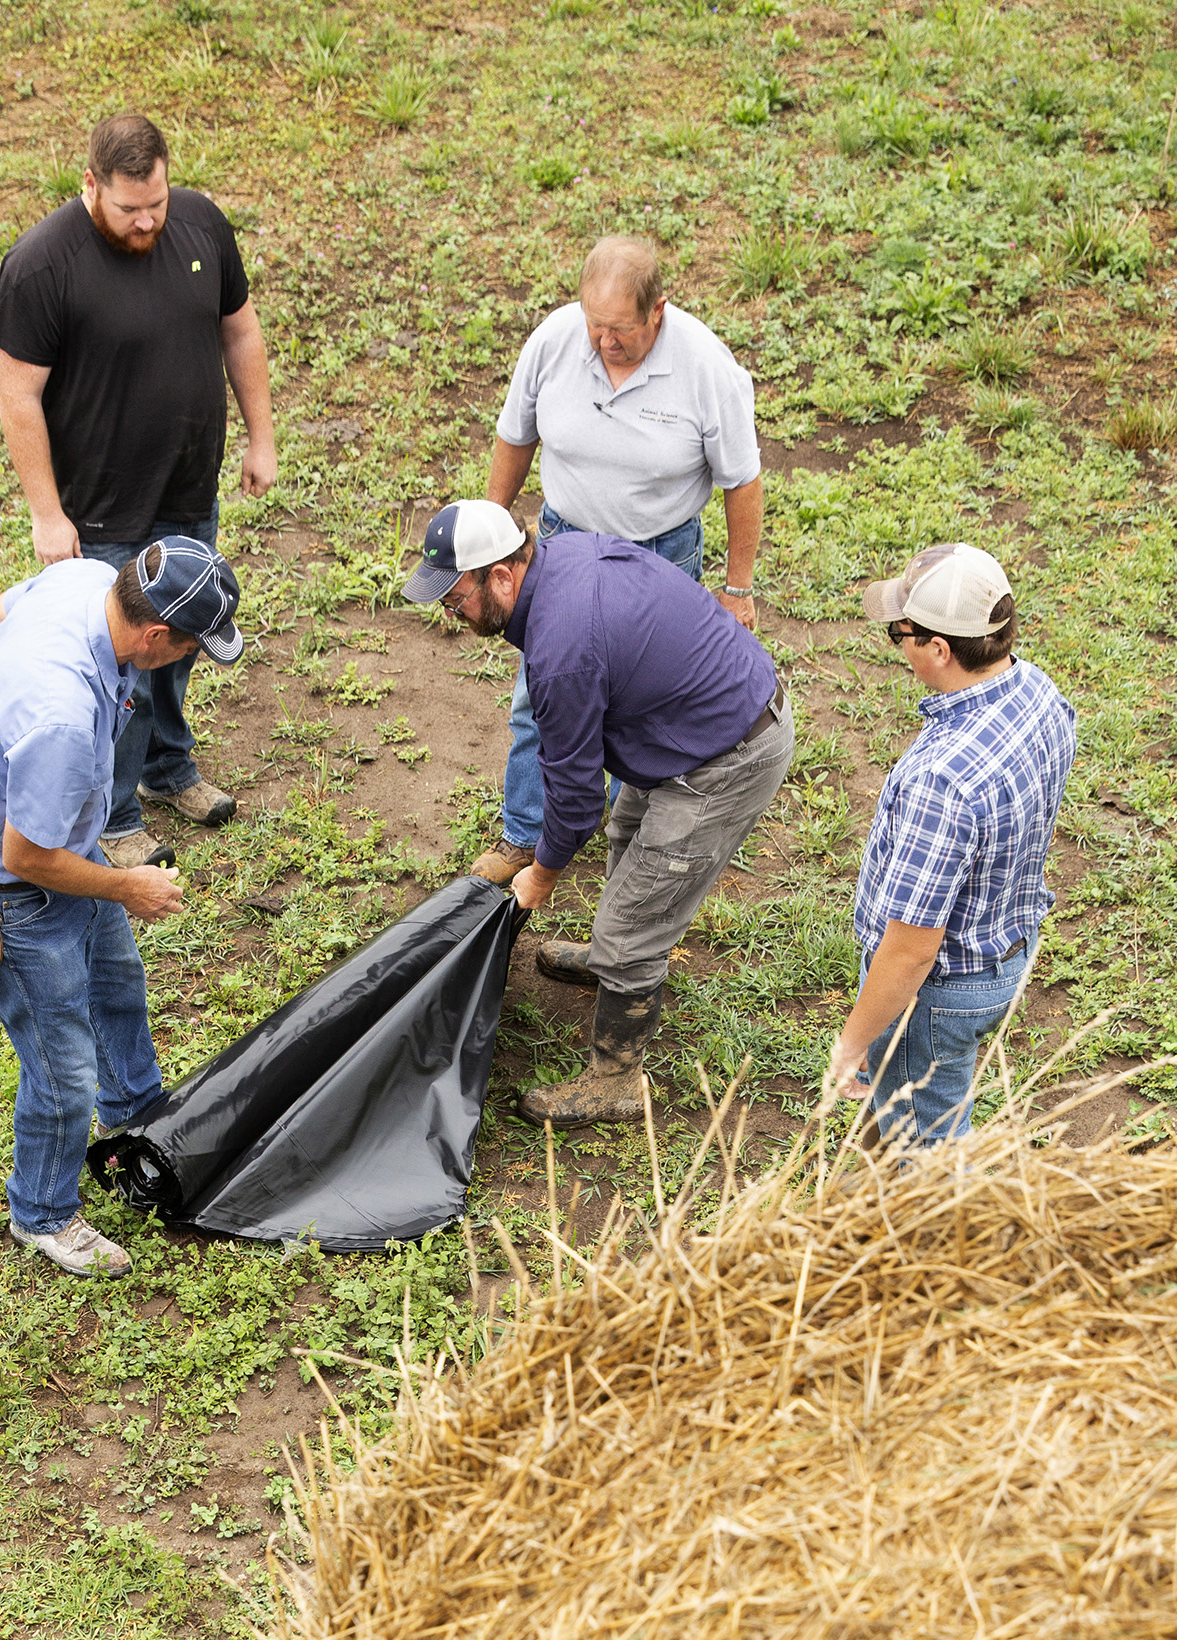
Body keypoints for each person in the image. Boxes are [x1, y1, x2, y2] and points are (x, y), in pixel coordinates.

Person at [405, 500, 792, 1126]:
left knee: (638, 912)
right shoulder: (564, 559)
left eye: (455, 597)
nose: (451, 613)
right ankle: (612, 958)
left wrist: (543, 874)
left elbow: (577, 799)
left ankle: (616, 1077)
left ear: (501, 576)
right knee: (629, 837)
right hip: (685, 723)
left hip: (727, 755)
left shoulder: (562, 648)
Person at [0, 535, 243, 1277]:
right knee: (60, 1064)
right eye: (195, 648)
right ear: (156, 636)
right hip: (15, 895)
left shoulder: (85, 580)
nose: (193, 661)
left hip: (69, 846)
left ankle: (140, 1119)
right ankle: (41, 1213)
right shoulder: (63, 718)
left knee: (116, 987)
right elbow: (25, 860)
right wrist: (127, 886)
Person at [0, 110, 275, 871]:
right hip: (99, 510)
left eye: (157, 203)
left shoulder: (201, 225)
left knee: (179, 639)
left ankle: (168, 767)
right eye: (128, 208)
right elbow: (17, 394)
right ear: (90, 185)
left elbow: (239, 330)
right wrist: (48, 516)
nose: (148, 221)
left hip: (185, 490)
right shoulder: (44, 264)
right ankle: (110, 814)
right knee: (116, 664)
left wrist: (262, 436)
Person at [474, 235, 763, 887]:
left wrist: (738, 586)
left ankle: (634, 830)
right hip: (560, 543)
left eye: (621, 330)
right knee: (540, 694)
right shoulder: (554, 341)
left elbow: (742, 480)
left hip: (656, 554)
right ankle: (526, 832)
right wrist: (491, 530)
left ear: (657, 311)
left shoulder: (705, 367)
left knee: (648, 696)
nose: (605, 341)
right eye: (594, 325)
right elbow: (515, 436)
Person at [822, 543, 1075, 1145]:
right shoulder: (1036, 690)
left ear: (938, 649)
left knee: (930, 1153)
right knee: (930, 1111)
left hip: (938, 993)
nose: (897, 643)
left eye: (899, 633)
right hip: (1008, 941)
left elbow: (910, 951)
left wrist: (852, 1044)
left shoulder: (942, 779)